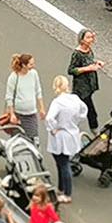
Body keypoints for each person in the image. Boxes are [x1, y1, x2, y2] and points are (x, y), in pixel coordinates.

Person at [44, 74, 86, 204]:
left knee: (63, 164)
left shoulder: (57, 102)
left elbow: (49, 118)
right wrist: (76, 122)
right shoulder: (75, 99)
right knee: (63, 162)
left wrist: (53, 128)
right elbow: (83, 111)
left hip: (60, 135)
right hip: (71, 133)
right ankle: (61, 188)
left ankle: (67, 193)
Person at [67, 29, 104, 132]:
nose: (90, 40)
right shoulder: (77, 53)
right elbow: (71, 70)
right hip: (81, 88)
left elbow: (89, 60)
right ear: (81, 40)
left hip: (89, 85)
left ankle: (70, 124)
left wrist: (96, 62)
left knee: (79, 109)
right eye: (87, 38)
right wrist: (88, 69)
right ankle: (95, 130)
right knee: (90, 111)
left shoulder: (89, 50)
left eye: (91, 37)